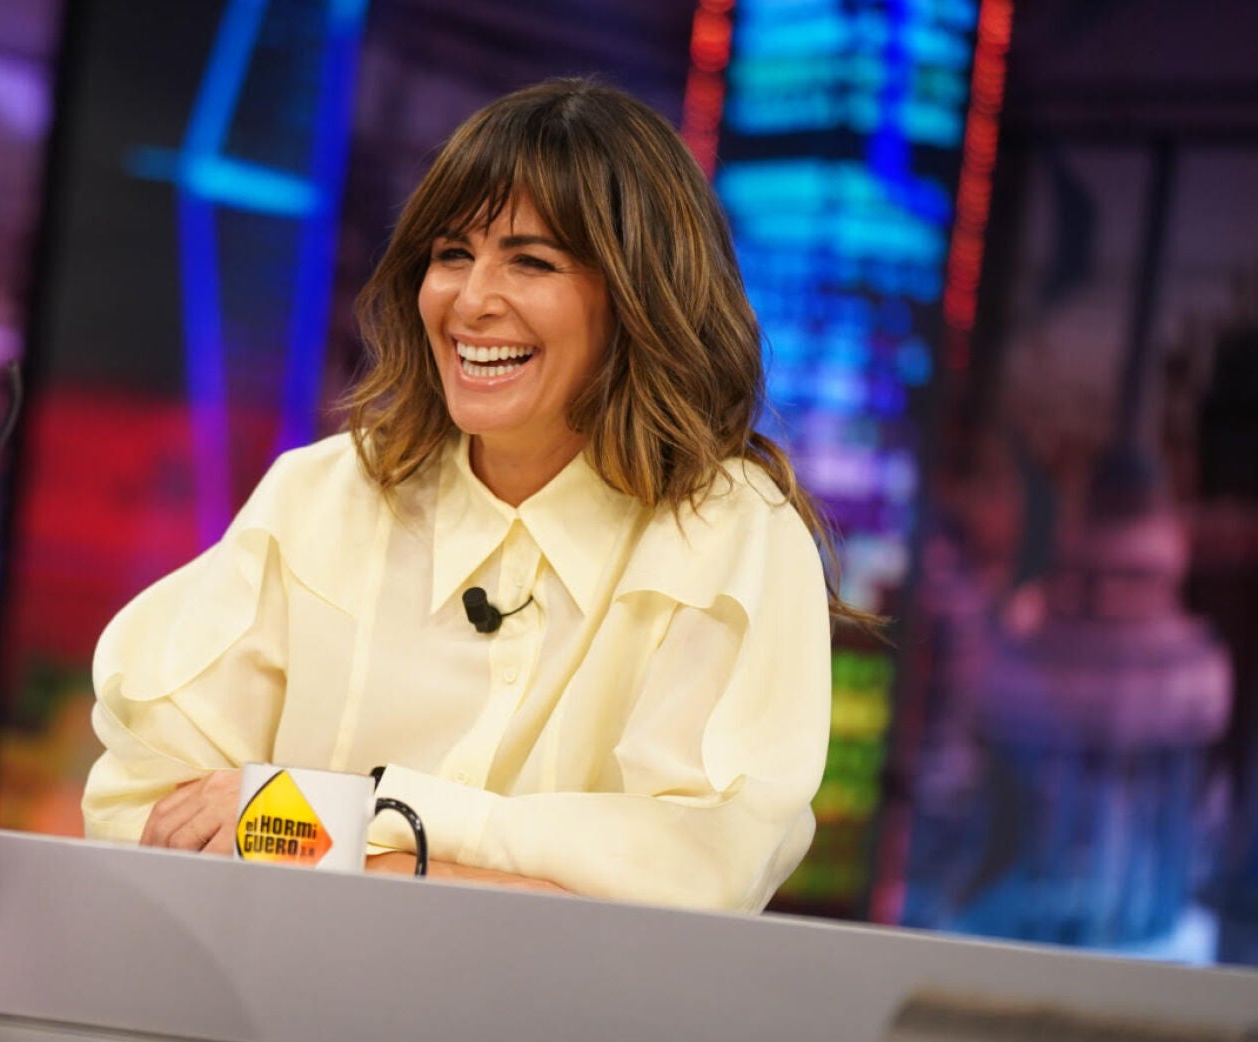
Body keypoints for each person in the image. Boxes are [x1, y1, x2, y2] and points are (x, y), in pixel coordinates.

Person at [81, 77, 866, 910]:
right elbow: (149, 811)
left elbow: (693, 877)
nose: (471, 300)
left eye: (531, 262)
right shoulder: (319, 498)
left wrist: (355, 829)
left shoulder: (730, 533)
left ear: (639, 295)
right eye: (452, 254)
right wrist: (460, 871)